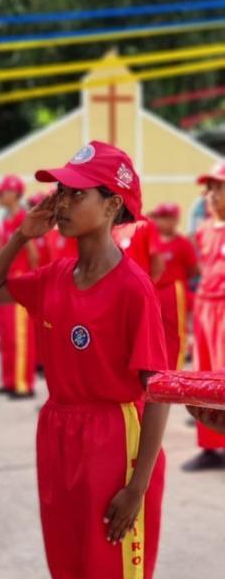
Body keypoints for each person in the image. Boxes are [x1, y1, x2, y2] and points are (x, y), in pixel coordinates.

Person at [0, 140, 168, 579]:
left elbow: (157, 391)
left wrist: (137, 485)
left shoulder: (133, 288)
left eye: (75, 193)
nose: (59, 202)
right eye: (57, 191)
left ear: (112, 206)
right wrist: (22, 236)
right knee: (72, 574)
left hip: (115, 435)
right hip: (59, 432)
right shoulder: (57, 275)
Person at [182, 162, 225, 472]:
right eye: (209, 188)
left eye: (217, 188)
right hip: (205, 308)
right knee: (203, 377)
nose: (210, 195)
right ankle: (210, 446)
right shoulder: (204, 230)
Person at [0, 173, 37, 399]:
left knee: (20, 336)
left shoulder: (23, 219)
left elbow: (33, 254)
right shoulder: (7, 220)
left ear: (14, 194)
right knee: (8, 335)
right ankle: (9, 381)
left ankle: (23, 384)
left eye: (3, 192)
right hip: (7, 283)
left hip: (19, 283)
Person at [148, 204, 197, 370]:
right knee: (154, 333)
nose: (160, 221)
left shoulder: (182, 243)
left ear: (175, 220)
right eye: (159, 217)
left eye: (165, 217)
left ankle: (174, 370)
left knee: (175, 334)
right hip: (154, 292)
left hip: (174, 292)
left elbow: (193, 269)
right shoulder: (150, 240)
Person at [113, 212, 163, 281]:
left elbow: (157, 260)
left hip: (139, 284)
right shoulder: (103, 230)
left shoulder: (144, 225)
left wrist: (150, 285)